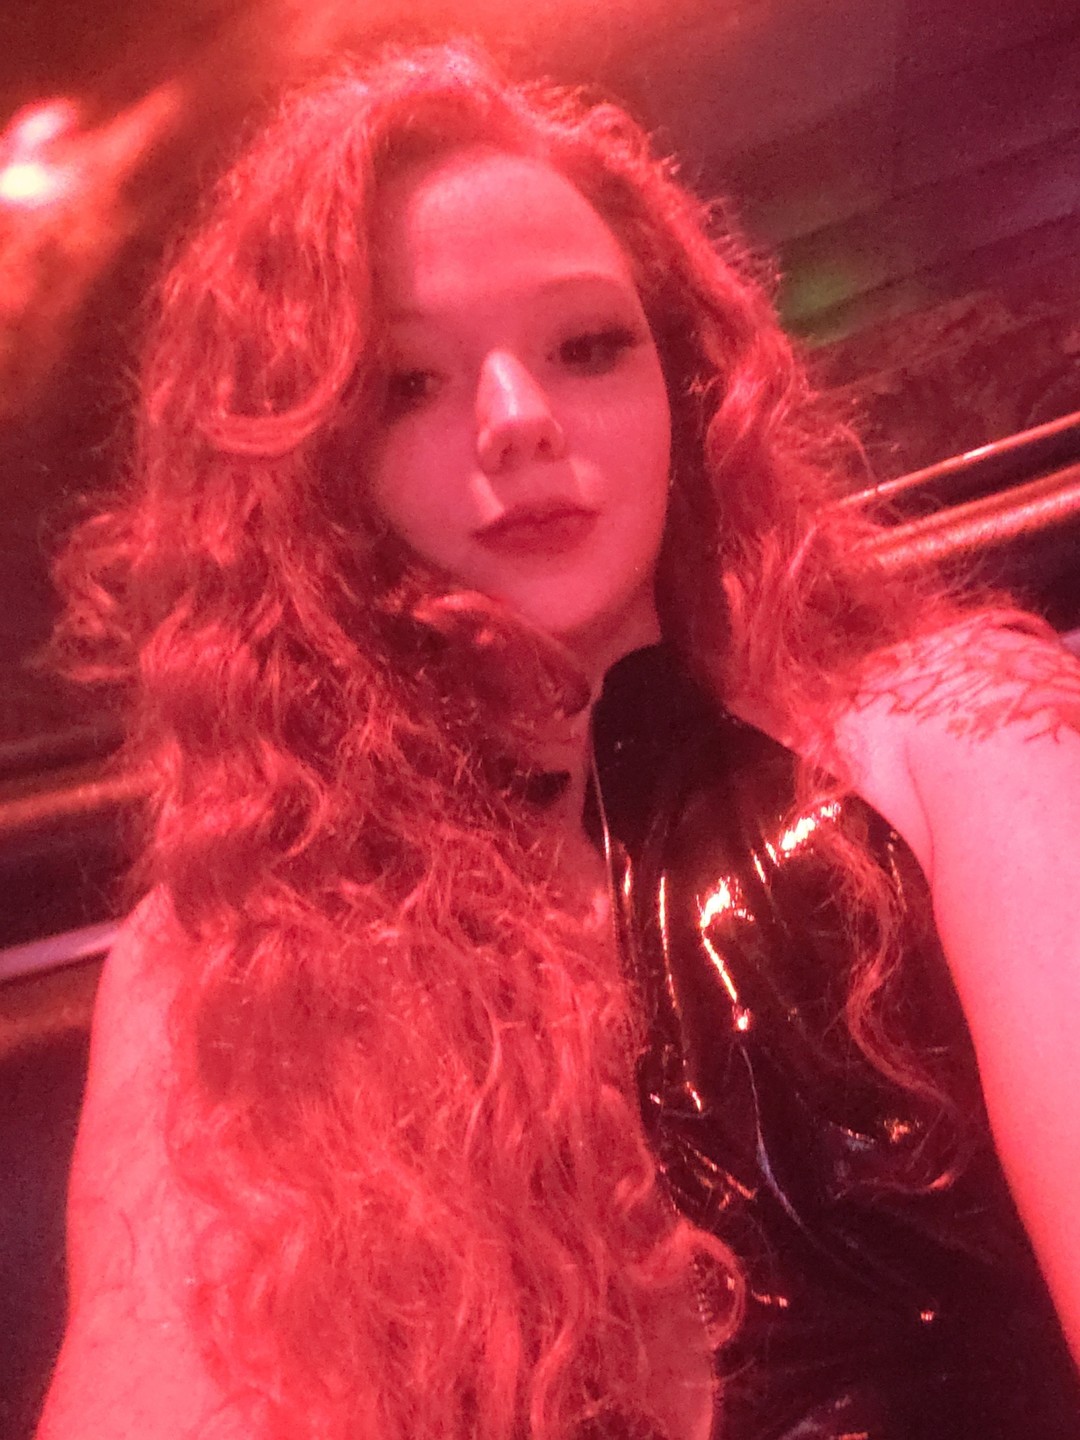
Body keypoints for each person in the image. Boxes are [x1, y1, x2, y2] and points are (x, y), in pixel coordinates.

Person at [36, 40, 1080, 1440]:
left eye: (588, 346)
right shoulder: (221, 955)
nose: (518, 421)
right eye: (404, 382)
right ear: (308, 464)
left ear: (685, 384)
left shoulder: (956, 735)